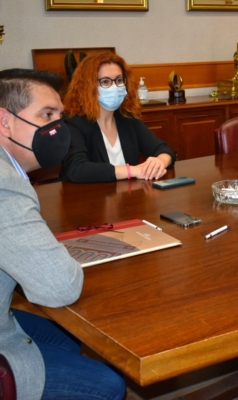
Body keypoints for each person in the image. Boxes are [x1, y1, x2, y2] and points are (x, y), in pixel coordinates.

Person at [0, 69, 125, 399]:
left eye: (59, 116)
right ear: (4, 121)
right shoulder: (3, 184)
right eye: (46, 115)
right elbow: (60, 288)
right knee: (109, 385)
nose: (57, 128)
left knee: (69, 336)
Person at [60, 52, 175, 183]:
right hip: (88, 200)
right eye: (105, 81)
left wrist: (160, 161)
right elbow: (78, 169)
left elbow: (163, 149)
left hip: (126, 197)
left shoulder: (127, 118)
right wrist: (133, 170)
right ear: (87, 87)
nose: (114, 87)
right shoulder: (72, 123)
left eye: (119, 80)